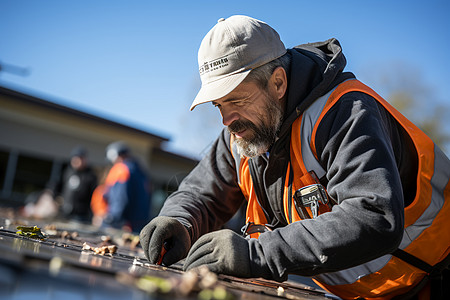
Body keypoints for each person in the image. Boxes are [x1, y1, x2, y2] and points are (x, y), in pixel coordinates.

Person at [139, 15, 450, 299]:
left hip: (432, 279)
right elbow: (201, 193)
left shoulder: (345, 112)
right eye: (218, 105)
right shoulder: (243, 132)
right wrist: (179, 221)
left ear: (278, 82)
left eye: (236, 99)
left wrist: (256, 254)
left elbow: (373, 215)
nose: (227, 120)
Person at [97, 141, 151, 232]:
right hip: (140, 223)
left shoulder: (122, 170)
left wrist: (111, 218)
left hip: (124, 224)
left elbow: (120, 198)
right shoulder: (140, 171)